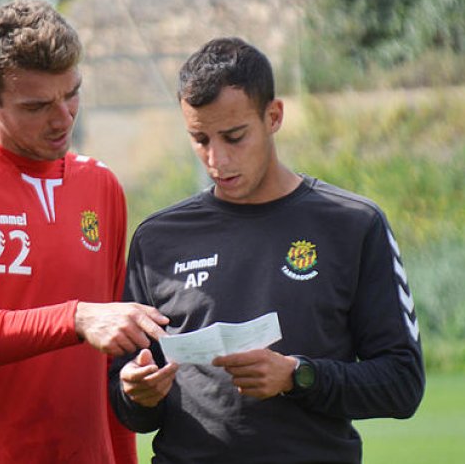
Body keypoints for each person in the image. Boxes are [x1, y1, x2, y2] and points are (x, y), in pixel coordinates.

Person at [109, 37, 424, 464]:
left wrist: (298, 376)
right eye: (200, 139)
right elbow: (132, 406)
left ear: (273, 116)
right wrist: (136, 391)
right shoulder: (158, 238)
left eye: (234, 137)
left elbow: (401, 384)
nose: (216, 159)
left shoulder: (353, 224)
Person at [0, 0, 167, 464]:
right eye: (37, 105)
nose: (63, 117)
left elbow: (109, 360)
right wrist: (77, 318)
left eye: (73, 93)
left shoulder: (100, 185)